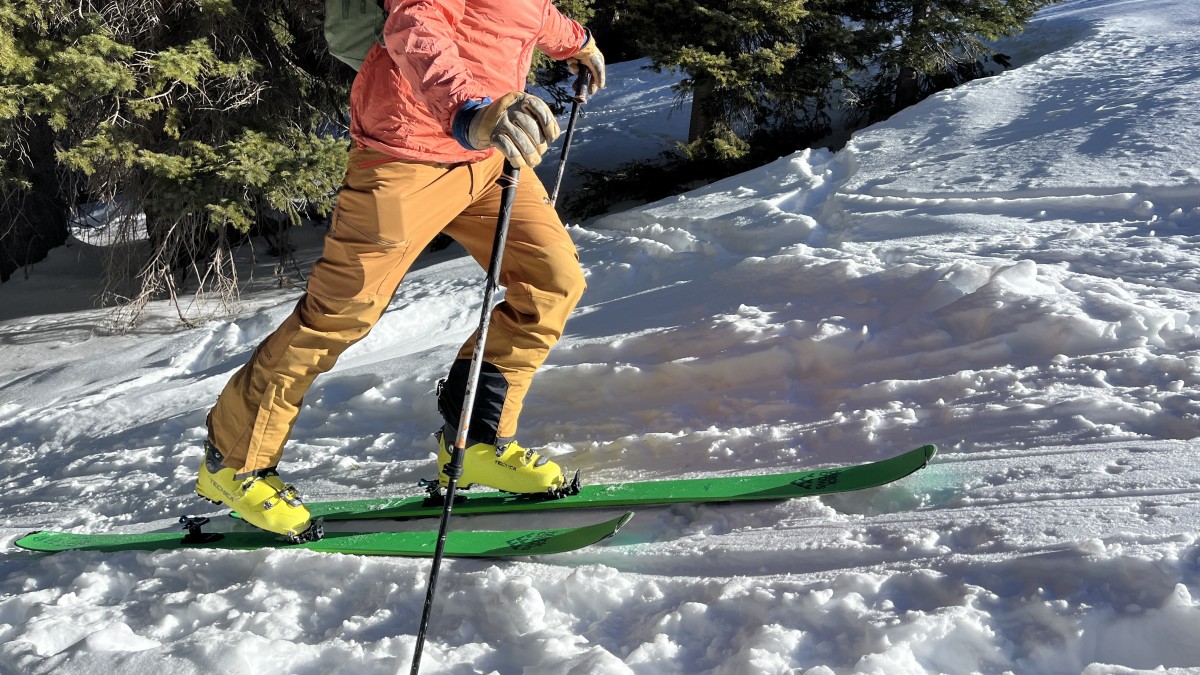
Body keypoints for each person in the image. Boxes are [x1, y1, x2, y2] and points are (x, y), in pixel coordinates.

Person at [195, 0, 607, 540]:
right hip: (406, 154)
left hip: (487, 161)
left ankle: (476, 443)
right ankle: (233, 463)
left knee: (552, 282)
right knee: (337, 317)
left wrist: (577, 41)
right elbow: (416, 26)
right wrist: (469, 110)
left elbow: (524, 13)